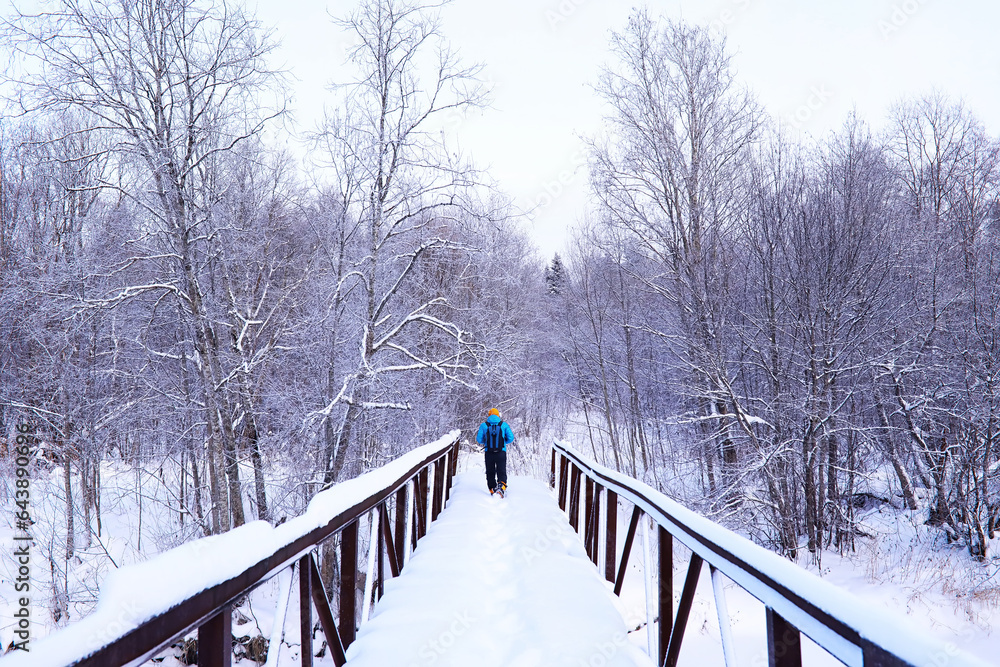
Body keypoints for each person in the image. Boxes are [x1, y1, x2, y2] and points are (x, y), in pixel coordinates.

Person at [475, 408, 515, 496]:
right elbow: (511, 438)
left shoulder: (484, 425)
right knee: (501, 469)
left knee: (490, 471)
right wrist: (503, 443)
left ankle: (492, 489)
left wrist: (486, 442)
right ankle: (502, 487)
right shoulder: (503, 425)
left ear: (489, 416)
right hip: (501, 452)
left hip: (489, 452)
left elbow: (479, 439)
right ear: (498, 415)